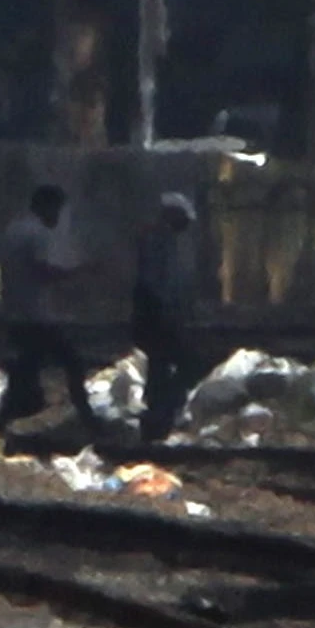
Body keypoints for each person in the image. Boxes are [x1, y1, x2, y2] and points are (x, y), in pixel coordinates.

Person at [0, 180, 82, 443]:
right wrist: (79, 274)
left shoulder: (13, 230)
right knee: (71, 363)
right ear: (46, 207)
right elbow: (43, 271)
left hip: (16, 312)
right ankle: (85, 417)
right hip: (35, 316)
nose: (58, 216)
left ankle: (6, 426)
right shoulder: (37, 233)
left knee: (25, 372)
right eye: (57, 210)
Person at [128, 187, 214, 449]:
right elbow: (154, 284)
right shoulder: (157, 241)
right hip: (157, 319)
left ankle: (155, 423)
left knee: (160, 370)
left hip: (156, 318)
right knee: (186, 365)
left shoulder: (161, 240)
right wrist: (169, 314)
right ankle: (160, 417)